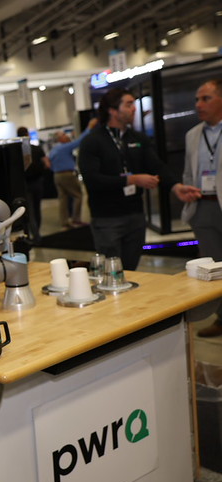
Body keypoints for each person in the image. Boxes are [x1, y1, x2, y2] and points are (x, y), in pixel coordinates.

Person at [78, 88, 196, 270]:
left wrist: (175, 186)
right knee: (112, 272)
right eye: (128, 104)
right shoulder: (92, 141)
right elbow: (92, 180)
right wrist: (131, 180)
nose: (134, 108)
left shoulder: (137, 138)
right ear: (112, 110)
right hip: (107, 218)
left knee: (131, 269)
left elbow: (157, 166)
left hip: (135, 215)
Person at [176, 79, 222, 336]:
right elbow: (187, 171)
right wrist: (187, 190)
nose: (198, 104)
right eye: (196, 99)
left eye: (206, 98)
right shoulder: (192, 134)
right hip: (203, 207)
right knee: (214, 267)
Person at [48, 118, 98, 229]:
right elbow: (79, 141)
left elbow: (49, 163)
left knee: (63, 199)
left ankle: (64, 222)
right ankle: (76, 219)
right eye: (64, 135)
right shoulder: (64, 148)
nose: (67, 136)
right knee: (78, 195)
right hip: (67, 175)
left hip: (57, 176)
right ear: (60, 139)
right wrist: (89, 127)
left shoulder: (53, 150)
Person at [17, 126, 49, 242]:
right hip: (37, 181)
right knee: (37, 208)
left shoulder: (18, 152)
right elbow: (47, 164)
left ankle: (35, 235)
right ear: (28, 135)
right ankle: (37, 233)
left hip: (26, 183)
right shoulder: (37, 149)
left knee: (30, 211)